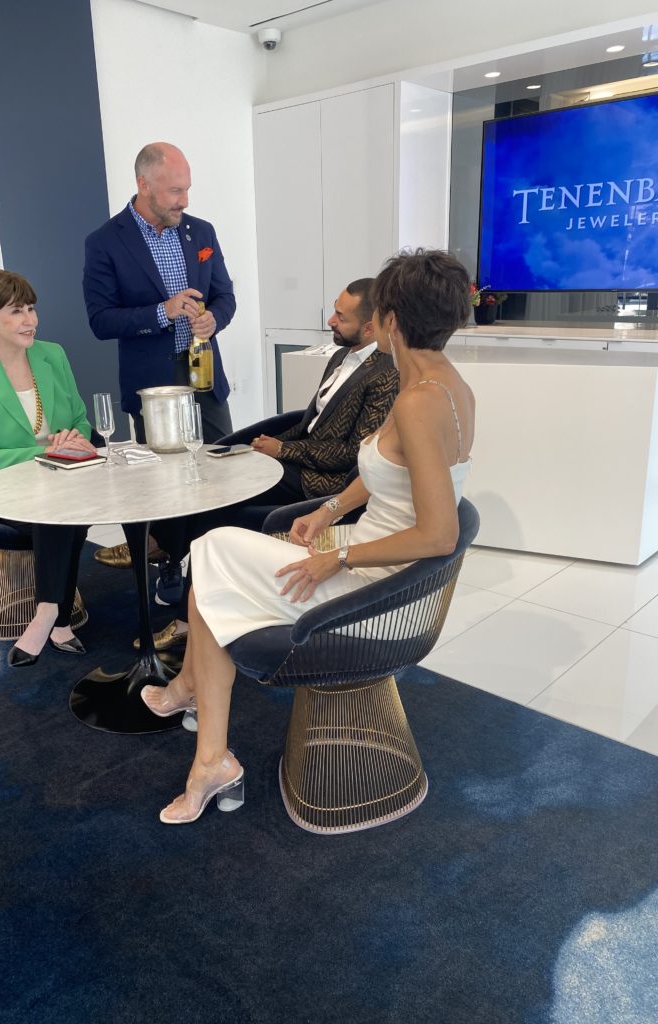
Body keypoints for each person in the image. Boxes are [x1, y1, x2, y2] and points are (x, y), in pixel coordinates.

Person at [141, 247, 475, 824]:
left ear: (391, 320)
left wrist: (337, 556)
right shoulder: (441, 384)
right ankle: (206, 744)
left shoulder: (420, 402)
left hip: (374, 591)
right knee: (212, 568)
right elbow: (389, 473)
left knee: (211, 551)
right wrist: (327, 511)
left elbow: (439, 534)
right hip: (367, 562)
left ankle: (199, 723)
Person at [147, 276, 398, 649]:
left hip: (322, 482)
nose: (330, 320)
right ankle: (173, 559)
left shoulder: (386, 375)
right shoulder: (341, 354)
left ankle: (187, 617)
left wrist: (284, 451)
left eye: (340, 316)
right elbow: (311, 423)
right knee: (207, 482)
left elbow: (353, 455)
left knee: (218, 510)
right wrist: (277, 441)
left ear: (369, 326)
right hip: (298, 464)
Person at [83, 142, 236, 593]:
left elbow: (225, 296)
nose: (183, 201)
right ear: (143, 184)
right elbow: (100, 320)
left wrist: (214, 319)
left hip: (204, 374)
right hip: (153, 383)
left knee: (221, 468)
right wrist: (161, 312)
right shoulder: (105, 242)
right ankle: (172, 558)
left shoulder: (200, 232)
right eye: (174, 191)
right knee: (167, 482)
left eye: (186, 190)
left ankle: (220, 560)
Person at [0, 270, 97, 668]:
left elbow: (81, 420)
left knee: (64, 505)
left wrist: (73, 438)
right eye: (15, 311)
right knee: (56, 512)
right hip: (3, 490)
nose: (30, 319)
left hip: (66, 477)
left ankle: (50, 613)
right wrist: (43, 452)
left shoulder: (53, 355)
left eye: (31, 308)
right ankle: (54, 615)